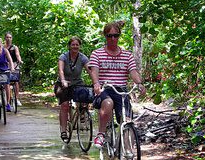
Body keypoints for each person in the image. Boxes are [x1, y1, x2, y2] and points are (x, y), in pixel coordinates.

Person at [89, 21, 145, 151]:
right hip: (105, 89)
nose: (113, 38)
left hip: (121, 91)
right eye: (109, 36)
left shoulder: (127, 55)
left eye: (115, 35)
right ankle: (101, 134)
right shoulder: (97, 53)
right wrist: (96, 83)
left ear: (119, 36)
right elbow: (94, 71)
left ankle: (128, 153)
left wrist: (139, 83)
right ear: (105, 36)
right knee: (108, 103)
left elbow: (133, 72)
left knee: (127, 120)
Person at [56, 36, 93, 141]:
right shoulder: (63, 57)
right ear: (69, 46)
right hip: (64, 83)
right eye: (73, 44)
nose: (75, 47)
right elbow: (61, 71)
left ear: (80, 46)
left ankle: (82, 113)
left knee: (85, 97)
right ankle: (63, 130)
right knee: (64, 105)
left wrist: (96, 81)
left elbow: (90, 70)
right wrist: (63, 81)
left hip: (77, 83)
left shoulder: (82, 58)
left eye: (77, 45)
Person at [5, 32, 23, 106]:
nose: (9, 39)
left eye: (10, 37)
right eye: (7, 37)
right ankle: (7, 100)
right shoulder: (3, 47)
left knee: (16, 81)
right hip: (6, 65)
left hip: (15, 65)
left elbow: (18, 55)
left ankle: (17, 98)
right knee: (7, 82)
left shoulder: (14, 47)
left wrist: (20, 60)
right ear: (5, 38)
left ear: (12, 38)